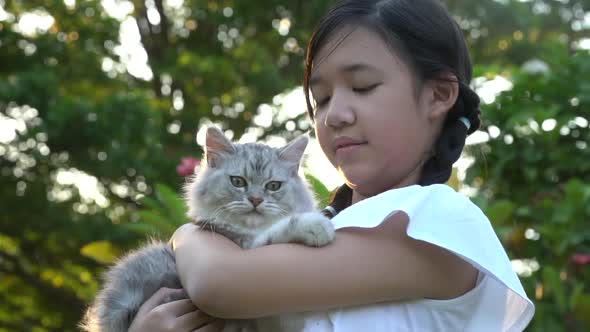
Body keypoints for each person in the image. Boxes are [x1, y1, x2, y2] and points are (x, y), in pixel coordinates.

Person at [130, 0, 535, 331]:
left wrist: (188, 233)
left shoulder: (437, 221)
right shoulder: (329, 226)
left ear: (438, 96)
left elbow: (217, 282)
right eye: (321, 98)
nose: (334, 115)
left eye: (362, 87)